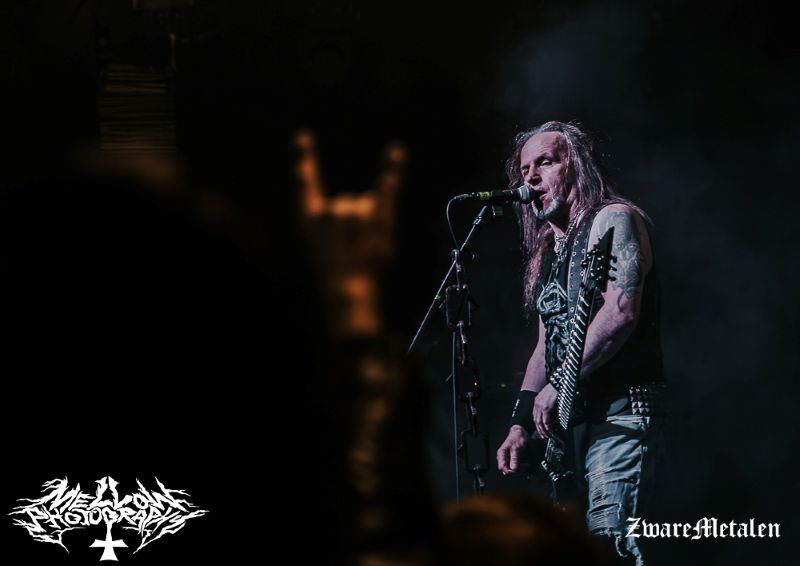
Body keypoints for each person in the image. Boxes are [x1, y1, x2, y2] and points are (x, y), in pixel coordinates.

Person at [495, 121, 666, 565]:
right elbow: (544, 345)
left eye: (545, 163)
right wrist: (519, 423)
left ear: (576, 167)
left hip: (619, 416)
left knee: (610, 545)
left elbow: (620, 311)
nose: (531, 178)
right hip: (569, 428)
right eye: (524, 170)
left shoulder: (613, 219)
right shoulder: (549, 253)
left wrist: (561, 381)